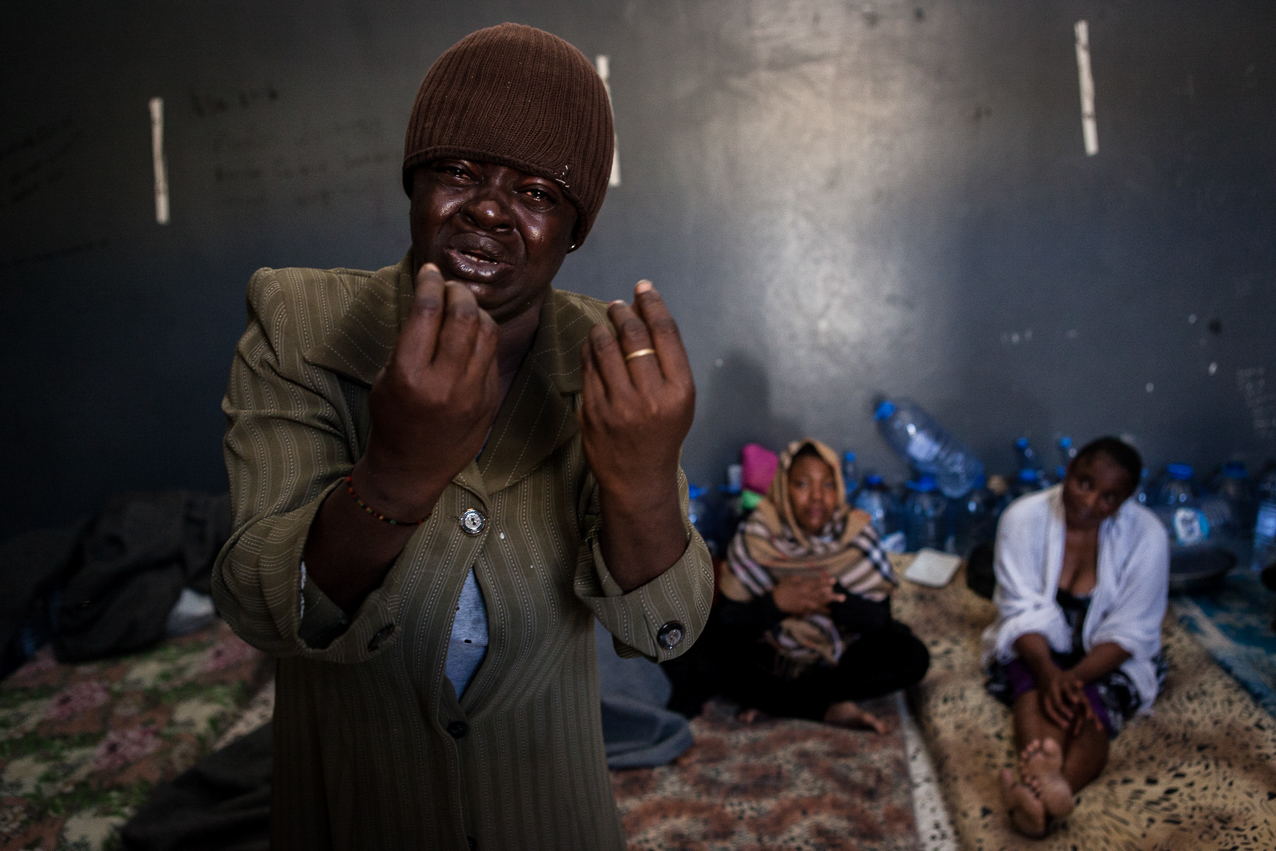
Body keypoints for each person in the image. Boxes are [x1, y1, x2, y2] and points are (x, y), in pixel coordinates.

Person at [211, 24, 714, 851]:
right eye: (458, 171)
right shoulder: (297, 322)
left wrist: (644, 481)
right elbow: (261, 608)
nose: (488, 208)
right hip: (354, 809)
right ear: (415, 182)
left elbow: (663, 630)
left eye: (539, 192)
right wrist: (397, 474)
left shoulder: (607, 357)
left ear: (576, 227)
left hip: (547, 812)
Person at [982, 436, 1169, 838]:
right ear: (1067, 473)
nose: (1090, 502)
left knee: (1091, 706)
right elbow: (1021, 612)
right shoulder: (1022, 518)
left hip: (1110, 655)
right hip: (1036, 646)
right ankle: (1051, 789)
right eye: (1084, 484)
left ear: (1124, 502)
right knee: (1032, 692)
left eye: (1109, 498)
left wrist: (1077, 678)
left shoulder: (1148, 537)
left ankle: (1041, 801)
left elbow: (1133, 629)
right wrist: (1050, 673)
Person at [707, 438, 929, 731]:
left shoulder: (857, 533)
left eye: (827, 485)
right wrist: (776, 603)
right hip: (773, 655)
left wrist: (834, 598)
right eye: (802, 484)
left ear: (839, 488)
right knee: (711, 648)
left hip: (838, 660)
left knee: (910, 654)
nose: (816, 497)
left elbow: (880, 619)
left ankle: (776, 699)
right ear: (783, 488)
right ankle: (822, 707)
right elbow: (730, 619)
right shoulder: (757, 534)